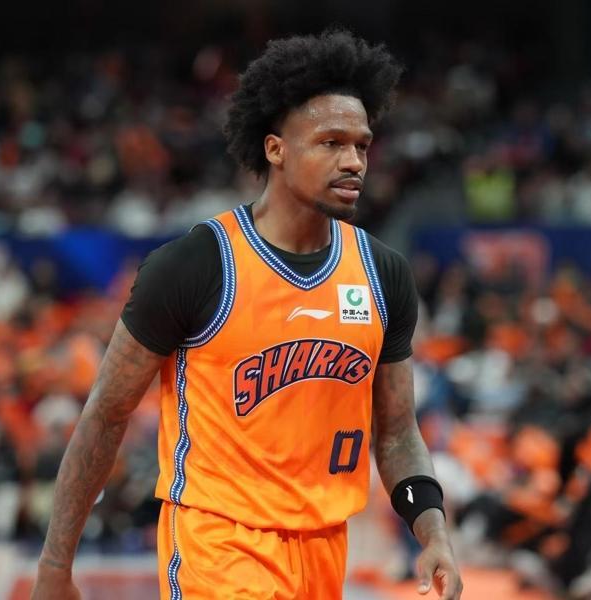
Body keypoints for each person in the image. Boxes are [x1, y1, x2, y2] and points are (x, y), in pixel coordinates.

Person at [31, 29, 463, 600]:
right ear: (275, 149)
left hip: (324, 547)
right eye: (331, 143)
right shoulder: (195, 265)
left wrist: (432, 532)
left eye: (361, 145)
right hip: (218, 542)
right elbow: (106, 415)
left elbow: (398, 430)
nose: (353, 161)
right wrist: (55, 564)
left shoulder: (383, 274)